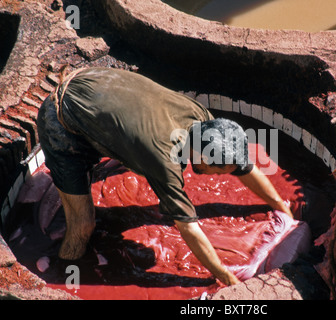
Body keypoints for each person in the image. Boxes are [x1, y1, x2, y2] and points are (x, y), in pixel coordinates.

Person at [37, 67, 293, 286]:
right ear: (205, 157)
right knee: (83, 226)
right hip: (61, 118)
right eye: (219, 171)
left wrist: (281, 207)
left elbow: (243, 167)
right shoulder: (164, 160)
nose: (216, 176)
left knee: (141, 153)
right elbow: (188, 227)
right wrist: (226, 276)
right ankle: (60, 275)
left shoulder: (203, 122)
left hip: (96, 83)